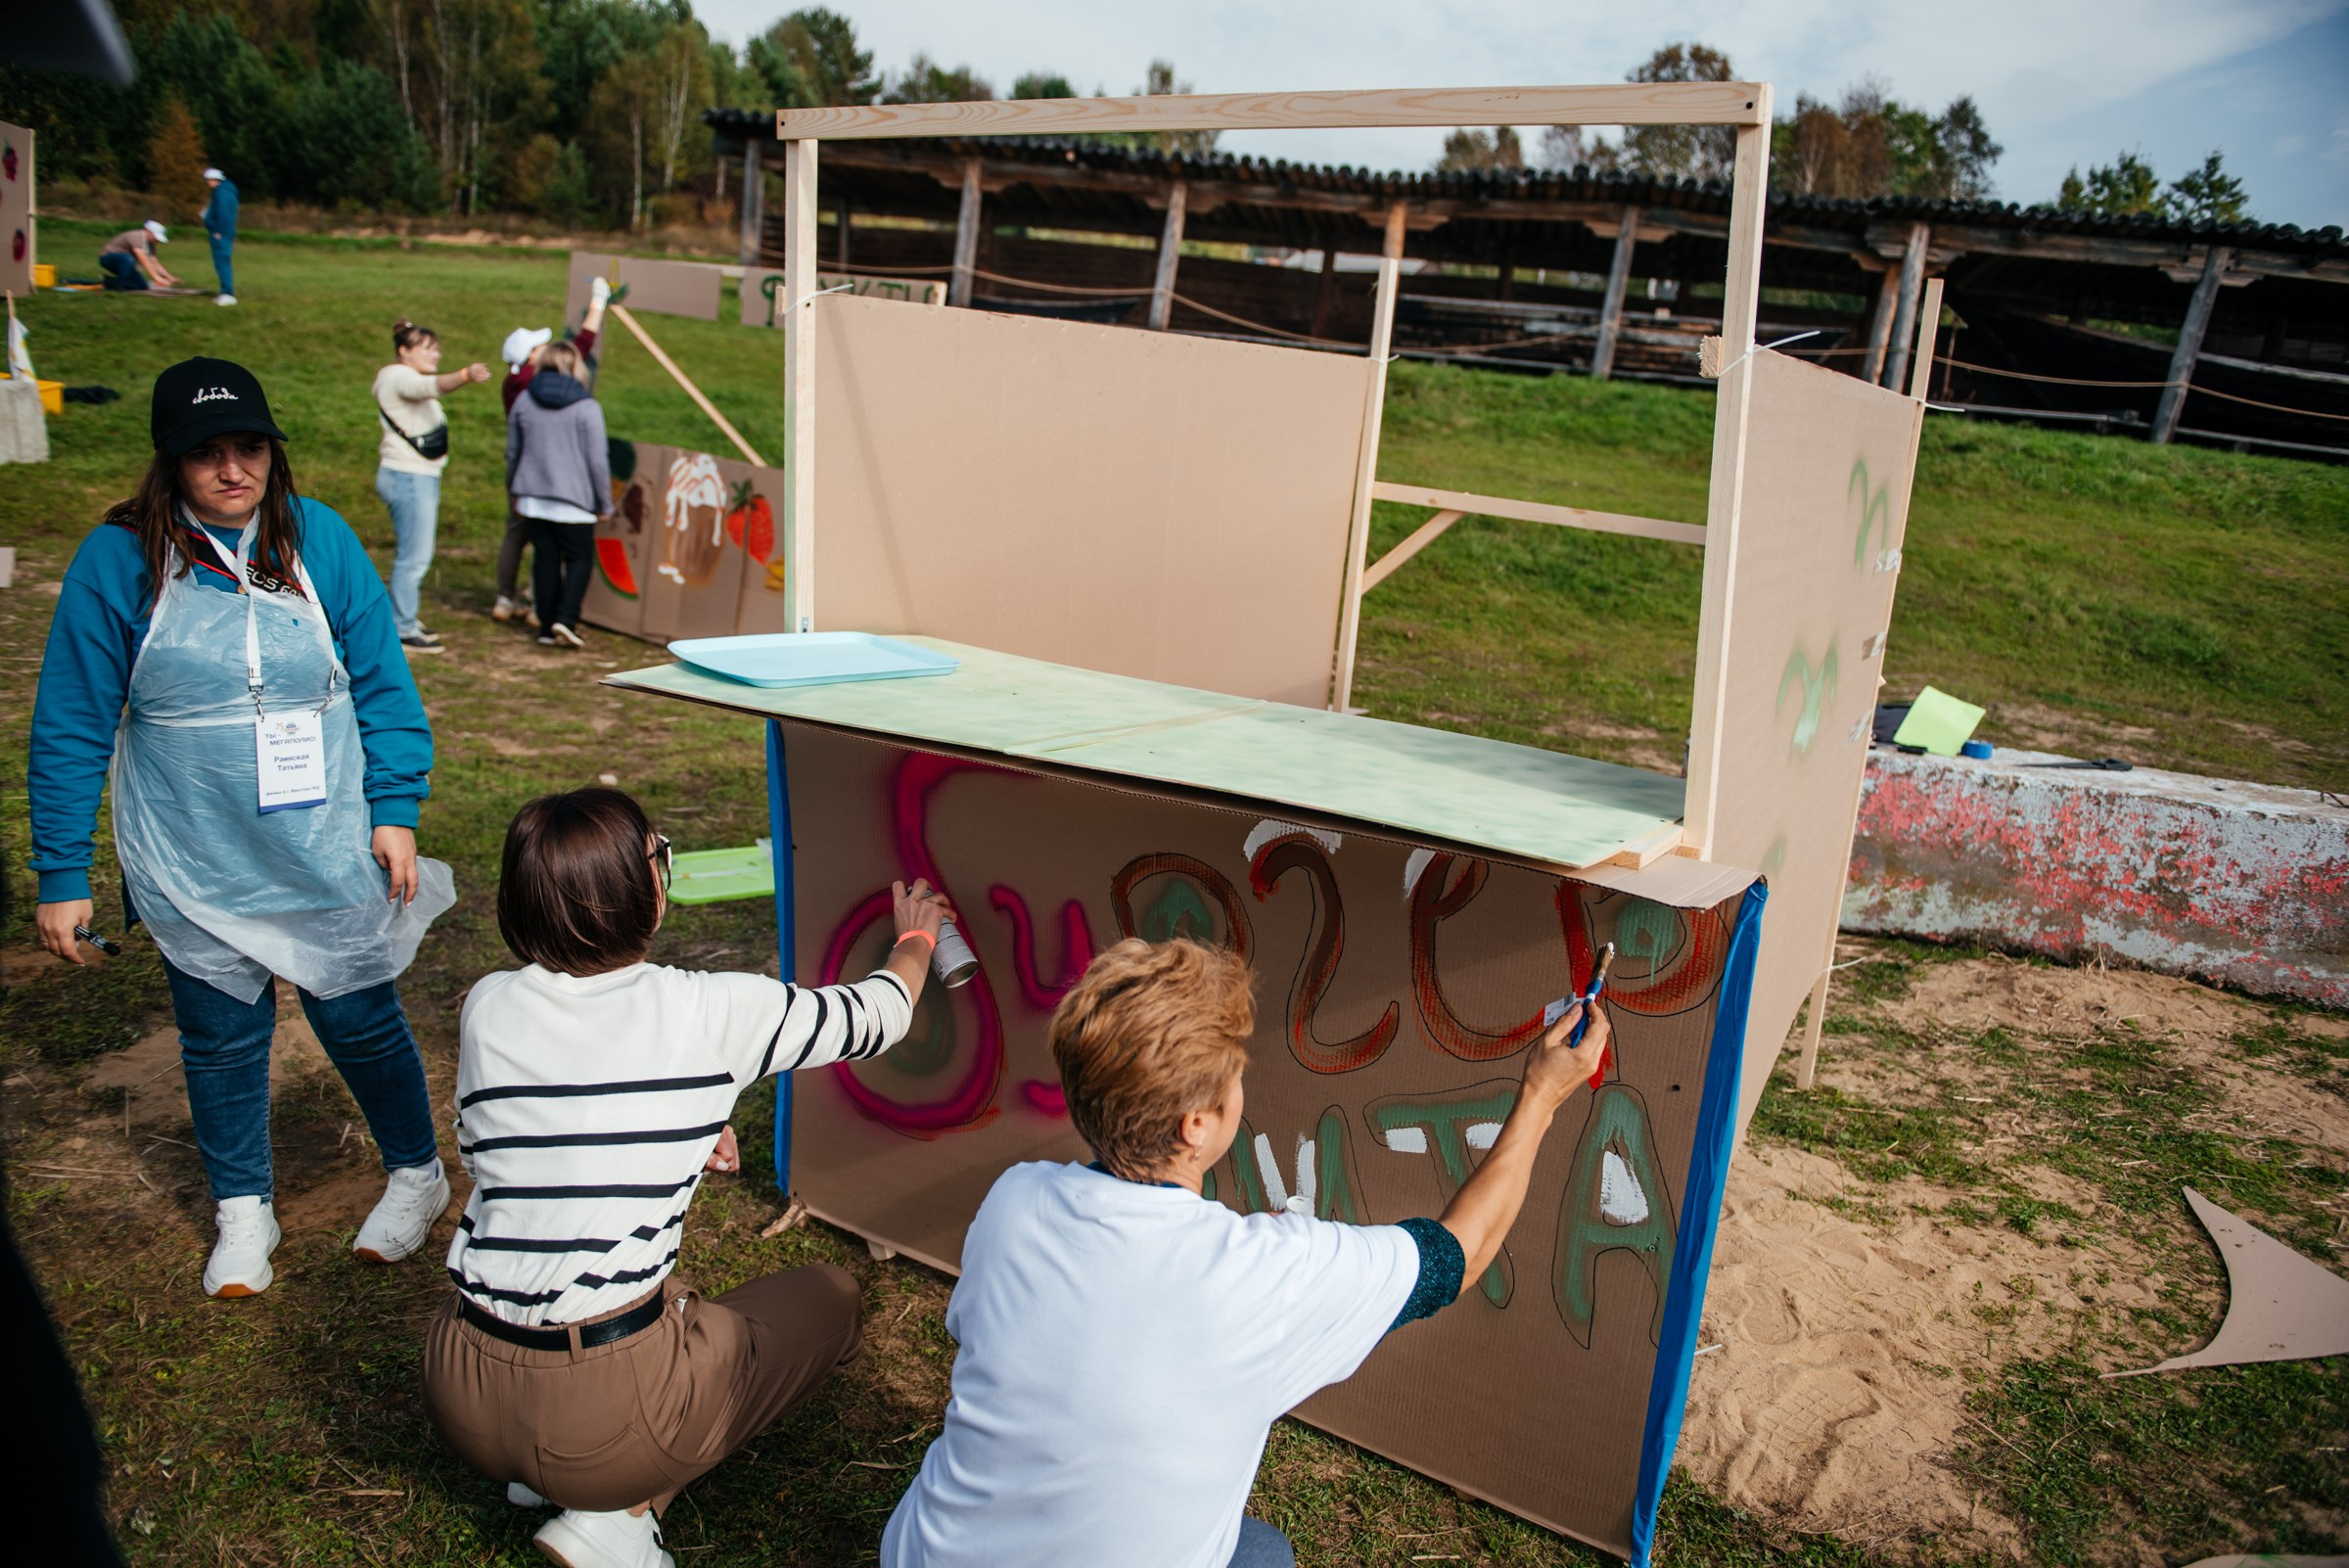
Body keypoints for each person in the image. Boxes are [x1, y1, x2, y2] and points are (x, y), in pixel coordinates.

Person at [880, 938, 1611, 1568]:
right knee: (1263, 1554)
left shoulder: (1015, 1201)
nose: (1242, 1086)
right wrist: (1542, 1096)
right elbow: (1458, 1256)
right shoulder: (1267, 1275)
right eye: (1234, 1075)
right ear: (1197, 1125)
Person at [424, 788, 947, 1568]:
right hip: (603, 1414)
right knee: (831, 1300)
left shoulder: (488, 1007)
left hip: (460, 1383)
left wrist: (686, 1123)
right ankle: (619, 1517)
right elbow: (878, 1016)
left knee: (652, 1305)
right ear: (650, 889)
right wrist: (915, 941)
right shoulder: (713, 1010)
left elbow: (504, 1149)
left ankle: (550, 1472)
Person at [29, 357, 459, 1300]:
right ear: (170, 463)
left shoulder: (320, 540)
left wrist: (394, 810)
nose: (233, 470)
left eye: (250, 448)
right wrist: (63, 870)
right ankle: (243, 1210)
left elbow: (385, 683)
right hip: (195, 847)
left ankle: (417, 1175)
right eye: (207, 454)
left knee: (357, 1012)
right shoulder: (119, 559)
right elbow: (70, 721)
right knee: (219, 1030)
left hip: (324, 835)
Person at [492, 277, 607, 623]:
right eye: (540, 347)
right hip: (556, 474)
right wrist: (598, 303)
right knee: (550, 547)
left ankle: (504, 597)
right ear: (531, 356)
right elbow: (579, 348)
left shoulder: (515, 384)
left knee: (519, 535)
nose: (547, 349)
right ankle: (541, 607)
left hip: (525, 471)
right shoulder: (539, 384)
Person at [374, 320, 491, 653]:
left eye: (436, 348)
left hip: (413, 477)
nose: (436, 354)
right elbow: (432, 387)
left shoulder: (401, 377)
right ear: (404, 351)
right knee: (414, 557)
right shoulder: (398, 377)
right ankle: (402, 627)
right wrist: (466, 375)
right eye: (427, 348)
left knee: (412, 554)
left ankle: (403, 617)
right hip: (408, 478)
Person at [506, 339, 609, 650]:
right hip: (574, 501)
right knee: (579, 559)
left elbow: (513, 451)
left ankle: (546, 627)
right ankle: (566, 618)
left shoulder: (524, 401)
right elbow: (597, 459)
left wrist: (513, 488)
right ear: (576, 367)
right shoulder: (586, 407)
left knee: (545, 559)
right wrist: (604, 501)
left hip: (533, 497)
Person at [97, 221, 178, 291]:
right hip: (108, 258)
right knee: (127, 259)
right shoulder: (137, 236)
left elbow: (154, 262)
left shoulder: (150, 244)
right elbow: (143, 259)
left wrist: (169, 277)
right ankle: (121, 284)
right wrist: (156, 278)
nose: (157, 240)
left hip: (127, 263)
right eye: (156, 237)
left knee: (142, 286)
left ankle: (108, 281)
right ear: (148, 231)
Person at [201, 168, 239, 306]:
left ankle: (228, 293)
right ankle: (225, 292)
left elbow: (223, 213)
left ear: (213, 180)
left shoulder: (221, 193)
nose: (207, 183)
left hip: (221, 234)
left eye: (207, 180)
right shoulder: (227, 191)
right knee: (223, 262)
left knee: (222, 263)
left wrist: (217, 230)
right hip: (225, 232)